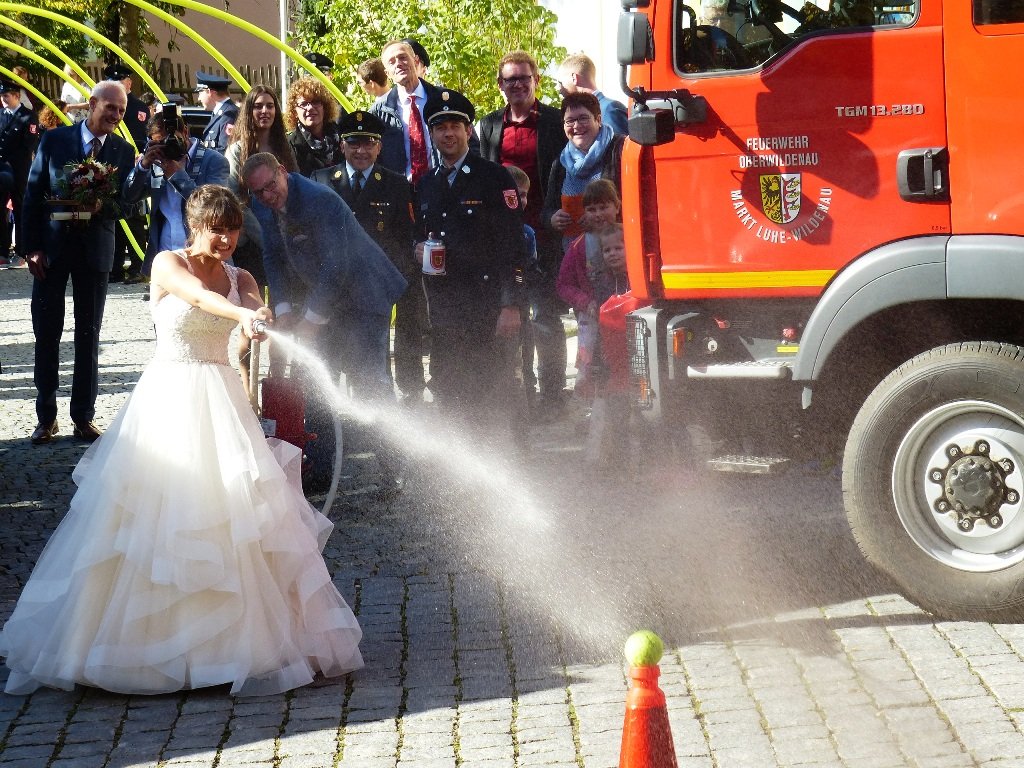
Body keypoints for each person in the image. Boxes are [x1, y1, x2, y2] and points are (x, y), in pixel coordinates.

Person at [0, 184, 364, 696]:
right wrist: (240, 314)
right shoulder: (167, 263)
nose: (227, 240)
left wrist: (256, 324)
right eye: (217, 230)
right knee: (152, 517)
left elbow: (250, 314)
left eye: (234, 230)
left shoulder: (243, 277)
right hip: (168, 399)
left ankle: (236, 647)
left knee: (237, 517)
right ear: (195, 227)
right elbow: (199, 299)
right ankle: (136, 648)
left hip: (223, 400)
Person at [241, 152, 408, 492]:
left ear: (283, 173)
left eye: (271, 187)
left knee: (368, 380)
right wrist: (285, 309)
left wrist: (311, 320)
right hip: (326, 294)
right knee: (316, 376)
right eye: (258, 193)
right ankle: (321, 467)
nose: (267, 197)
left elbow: (337, 266)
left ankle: (394, 465)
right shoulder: (262, 205)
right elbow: (273, 256)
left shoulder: (320, 200)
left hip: (364, 294)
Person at [22, 80, 136, 445]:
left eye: (121, 111)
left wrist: (104, 206)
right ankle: (46, 416)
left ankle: (82, 416)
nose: (116, 117)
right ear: (91, 104)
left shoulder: (122, 150)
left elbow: (127, 206)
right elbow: (33, 193)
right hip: (52, 252)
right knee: (46, 331)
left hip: (95, 252)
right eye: (111, 108)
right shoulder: (55, 140)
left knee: (89, 334)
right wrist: (31, 248)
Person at [413, 88, 528, 447]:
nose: (448, 134)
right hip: (446, 304)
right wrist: (418, 248)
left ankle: (509, 457)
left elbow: (515, 246)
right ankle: (459, 457)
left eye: (455, 126)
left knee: (493, 383)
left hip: (487, 302)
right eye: (440, 127)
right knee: (447, 381)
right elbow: (421, 234)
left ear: (467, 131)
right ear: (431, 133)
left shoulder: (494, 178)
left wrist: (511, 304)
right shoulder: (426, 183)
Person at [310, 110, 425, 404]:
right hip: (331, 293)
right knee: (329, 369)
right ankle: (332, 438)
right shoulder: (321, 180)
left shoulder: (396, 184)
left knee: (372, 372)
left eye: (369, 143)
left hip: (372, 294)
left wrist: (387, 286)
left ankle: (374, 439)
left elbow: (403, 240)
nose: (361, 151)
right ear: (342, 145)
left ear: (379, 147)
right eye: (354, 143)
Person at [478, 50, 569, 420]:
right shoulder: (487, 125)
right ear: (500, 85)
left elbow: (563, 171)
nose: (517, 85)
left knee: (546, 318)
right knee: (510, 315)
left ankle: (552, 395)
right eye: (510, 79)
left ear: (536, 82)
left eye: (523, 78)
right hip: (503, 239)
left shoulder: (554, 122)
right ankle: (520, 393)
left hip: (545, 233)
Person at [224, 85, 297, 394]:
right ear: (249, 112)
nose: (264, 111)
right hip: (251, 244)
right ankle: (248, 389)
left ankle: (277, 385)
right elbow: (236, 200)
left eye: (270, 105)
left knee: (280, 314)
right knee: (252, 319)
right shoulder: (238, 150)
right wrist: (265, 235)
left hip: (283, 242)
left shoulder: (286, 147)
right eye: (258, 106)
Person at [122, 109, 231, 276]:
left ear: (185, 131)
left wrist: (177, 175)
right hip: (165, 253)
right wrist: (143, 166)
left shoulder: (215, 161)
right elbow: (129, 197)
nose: (166, 148)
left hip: (203, 253)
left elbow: (212, 207)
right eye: (159, 143)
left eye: (169, 141)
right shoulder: (156, 161)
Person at [555, 179, 622, 397]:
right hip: (593, 319)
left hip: (626, 318)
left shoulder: (632, 237)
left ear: (617, 206)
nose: (598, 214)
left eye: (604, 207)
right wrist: (584, 302)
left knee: (626, 364)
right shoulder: (578, 246)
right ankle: (594, 412)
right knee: (592, 367)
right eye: (592, 209)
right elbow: (563, 285)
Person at [542, 92, 624, 254]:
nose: (577, 126)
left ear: (598, 120)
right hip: (574, 255)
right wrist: (552, 219)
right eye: (570, 121)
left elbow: (636, 200)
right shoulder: (560, 162)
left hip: (617, 252)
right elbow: (547, 209)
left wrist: (599, 216)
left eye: (583, 118)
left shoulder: (619, 150)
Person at [103, 63, 150, 283]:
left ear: (129, 83)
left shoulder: (139, 107)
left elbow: (141, 139)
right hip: (111, 166)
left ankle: (137, 267)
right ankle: (115, 267)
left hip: (133, 167)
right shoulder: (105, 105)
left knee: (134, 219)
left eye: (119, 81)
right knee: (114, 216)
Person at [0, 81, 39, 267]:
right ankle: (2, 250)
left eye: (6, 96)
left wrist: (10, 161)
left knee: (20, 208)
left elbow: (28, 145)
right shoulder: (0, 115)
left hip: (18, 170)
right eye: (2, 96)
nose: (3, 100)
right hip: (1, 171)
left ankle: (21, 251)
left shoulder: (28, 116)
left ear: (16, 96)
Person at [556, 53, 629, 136]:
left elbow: (620, 147)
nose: (560, 90)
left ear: (574, 78)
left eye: (561, 82)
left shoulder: (609, 109)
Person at [284, 76, 343, 176]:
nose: (310, 108)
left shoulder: (342, 136)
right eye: (303, 104)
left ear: (325, 107)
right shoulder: (290, 146)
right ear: (294, 111)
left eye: (315, 102)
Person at [195, 71, 238, 152]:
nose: (199, 98)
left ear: (210, 92)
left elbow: (225, 151)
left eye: (200, 93)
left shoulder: (229, 115)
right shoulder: (220, 113)